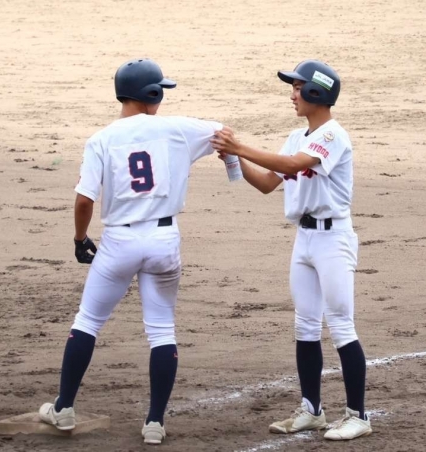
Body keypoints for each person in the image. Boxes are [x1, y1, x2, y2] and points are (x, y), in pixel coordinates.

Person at [37, 58, 223, 445]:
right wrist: (234, 163)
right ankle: (154, 423)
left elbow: (85, 200)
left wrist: (80, 239)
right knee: (161, 329)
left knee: (88, 322)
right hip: (163, 240)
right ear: (152, 94)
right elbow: (224, 133)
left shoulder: (101, 139)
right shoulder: (178, 129)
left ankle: (64, 408)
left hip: (119, 242)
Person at [211, 60, 372, 441]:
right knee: (305, 325)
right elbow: (268, 182)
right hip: (305, 239)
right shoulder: (297, 136)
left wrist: (240, 146)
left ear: (317, 92)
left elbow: (292, 164)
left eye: (298, 88)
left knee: (341, 325)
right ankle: (312, 411)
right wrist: (234, 158)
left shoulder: (333, 135)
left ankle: (358, 416)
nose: (292, 95)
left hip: (333, 239)